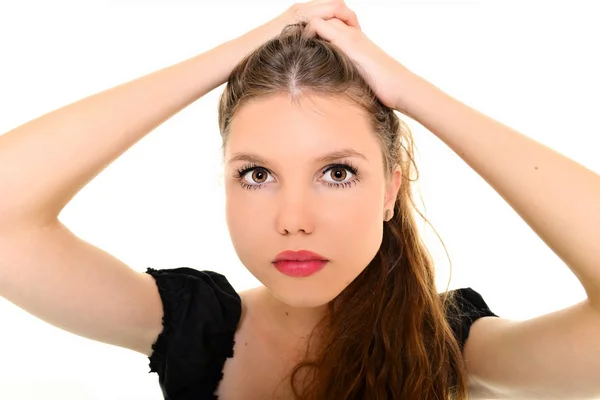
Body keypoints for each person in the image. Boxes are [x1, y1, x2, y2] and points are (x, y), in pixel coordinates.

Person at [0, 1, 598, 399]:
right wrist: (237, 53)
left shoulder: (450, 347)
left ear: (391, 187)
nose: (293, 221)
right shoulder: (195, 328)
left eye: (337, 172)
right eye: (257, 174)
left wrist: (414, 94)